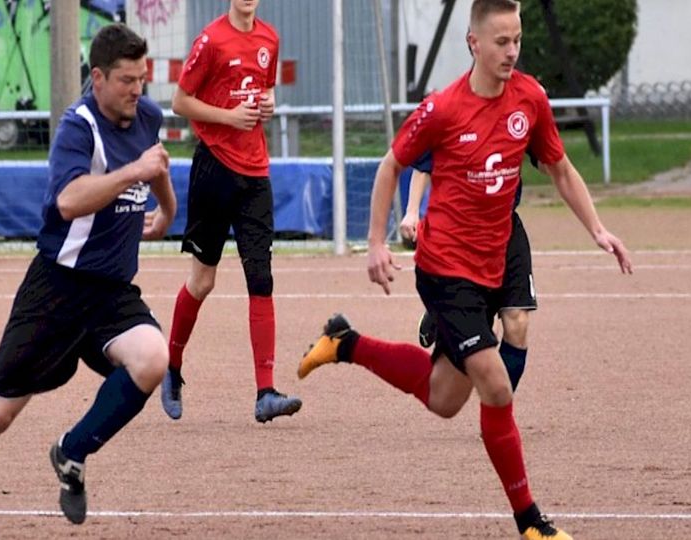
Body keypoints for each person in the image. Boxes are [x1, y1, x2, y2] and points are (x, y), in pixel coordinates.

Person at [299, 1, 633, 539]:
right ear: (474, 43)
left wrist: (597, 229)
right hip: (445, 269)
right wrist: (376, 242)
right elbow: (391, 165)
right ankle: (531, 524)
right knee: (496, 386)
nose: (512, 51)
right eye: (501, 41)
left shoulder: (530, 98)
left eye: (517, 39)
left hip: (494, 259)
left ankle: (345, 343)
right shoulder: (443, 108)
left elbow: (560, 168)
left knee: (444, 399)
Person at [0, 23, 176, 539]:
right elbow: (68, 202)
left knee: (152, 359)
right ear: (98, 77)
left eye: (142, 78)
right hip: (57, 290)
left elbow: (156, 161)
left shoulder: (146, 115)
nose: (137, 89)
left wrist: (166, 210)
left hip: (111, 293)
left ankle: (72, 451)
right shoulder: (78, 127)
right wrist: (133, 173)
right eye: (126, 80)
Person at [161, 0, 301, 423]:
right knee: (202, 281)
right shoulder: (211, 41)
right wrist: (228, 116)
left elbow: (265, 89)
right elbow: (180, 102)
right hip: (214, 170)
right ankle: (171, 368)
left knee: (261, 278)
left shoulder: (270, 38)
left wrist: (268, 104)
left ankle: (265, 393)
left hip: (255, 174)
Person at [401, 150, 536, 392]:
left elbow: (553, 162)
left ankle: (499, 406)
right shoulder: (453, 125)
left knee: (518, 322)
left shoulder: (521, 124)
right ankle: (442, 312)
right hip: (463, 233)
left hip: (506, 227)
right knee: (479, 344)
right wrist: (412, 212)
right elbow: (424, 163)